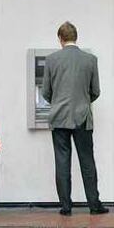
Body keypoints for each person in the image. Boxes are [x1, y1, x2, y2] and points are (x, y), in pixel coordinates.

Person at [42, 21, 108, 216]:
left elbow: (46, 91)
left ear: (60, 39)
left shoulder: (52, 60)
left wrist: (58, 103)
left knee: (62, 162)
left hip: (59, 118)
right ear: (75, 37)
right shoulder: (90, 60)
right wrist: (83, 101)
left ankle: (66, 207)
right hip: (82, 118)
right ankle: (94, 206)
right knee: (87, 162)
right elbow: (95, 91)